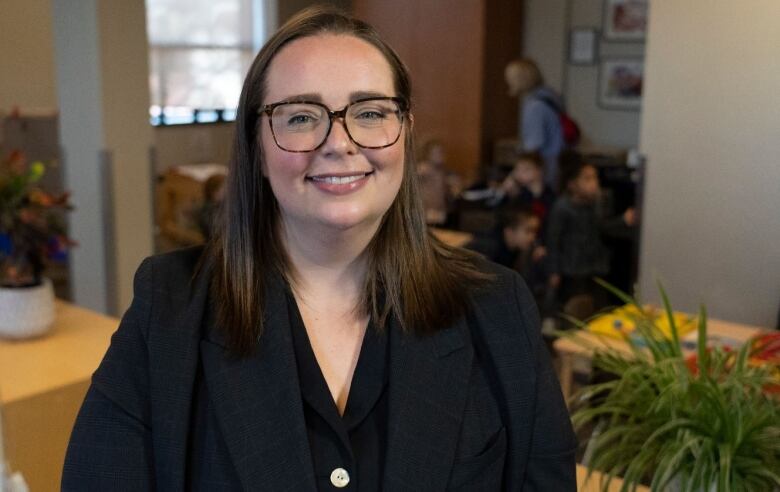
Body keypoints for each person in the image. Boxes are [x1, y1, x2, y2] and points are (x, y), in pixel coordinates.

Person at [62, 7, 576, 490]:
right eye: (302, 117)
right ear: (257, 149)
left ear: (405, 134)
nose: (340, 141)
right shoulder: (169, 310)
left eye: (371, 112)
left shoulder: (497, 306)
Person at [546, 154, 636, 314]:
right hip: (573, 268)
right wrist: (554, 270)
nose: (594, 184)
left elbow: (603, 227)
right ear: (572, 184)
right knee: (576, 309)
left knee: (599, 307)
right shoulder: (562, 207)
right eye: (587, 179)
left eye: (595, 178)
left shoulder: (598, 203)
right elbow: (553, 240)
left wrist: (622, 221)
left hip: (596, 265)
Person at [505, 58, 566, 190]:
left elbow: (533, 145)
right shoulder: (550, 96)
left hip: (544, 169)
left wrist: (516, 175)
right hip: (557, 163)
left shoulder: (534, 106)